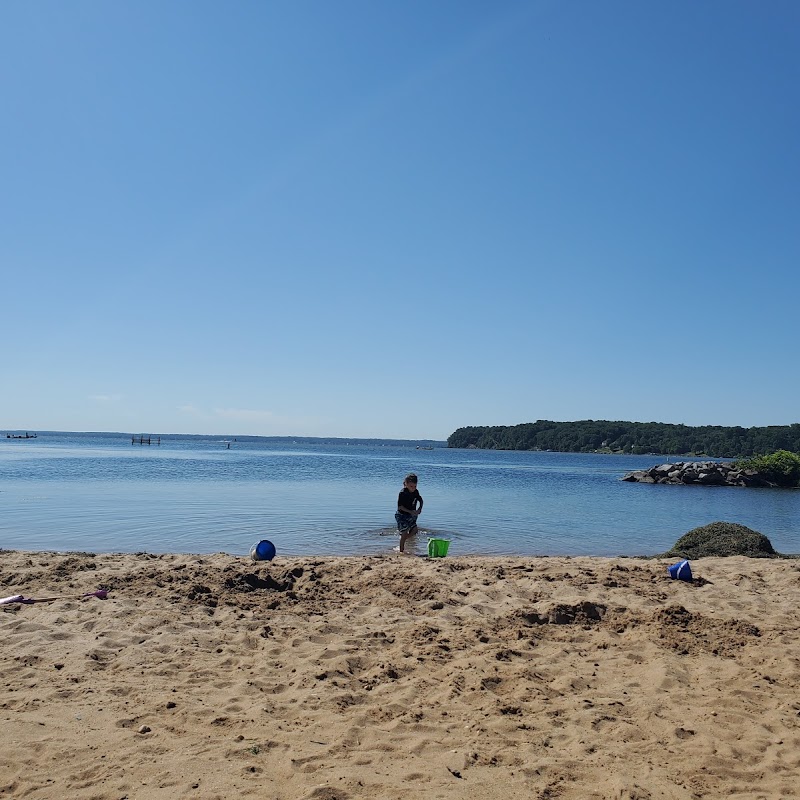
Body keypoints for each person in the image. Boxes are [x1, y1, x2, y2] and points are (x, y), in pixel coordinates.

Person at [394, 473, 423, 553]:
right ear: (405, 484)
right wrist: (410, 511)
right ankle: (401, 551)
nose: (413, 488)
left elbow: (420, 500)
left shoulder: (415, 492)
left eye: (415, 486)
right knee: (404, 532)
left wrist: (420, 508)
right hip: (401, 515)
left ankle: (405, 539)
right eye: (411, 486)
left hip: (411, 515)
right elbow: (400, 507)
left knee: (415, 530)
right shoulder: (403, 493)